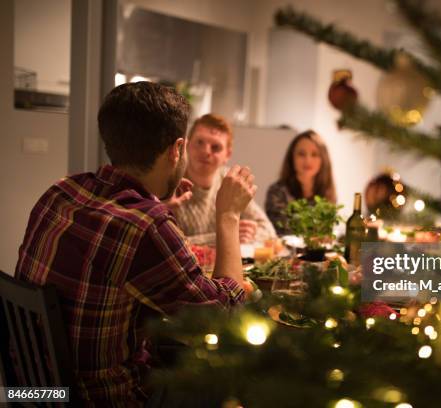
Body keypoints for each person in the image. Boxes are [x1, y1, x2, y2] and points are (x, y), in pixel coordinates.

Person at [15, 82, 255, 406]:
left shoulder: (60, 192)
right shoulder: (145, 226)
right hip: (104, 399)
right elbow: (226, 316)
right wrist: (228, 215)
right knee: (226, 377)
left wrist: (157, 203)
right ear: (178, 148)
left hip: (35, 391)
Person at [171, 114, 276, 244]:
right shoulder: (170, 181)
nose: (206, 151)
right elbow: (170, 243)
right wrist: (226, 235)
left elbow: (269, 231)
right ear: (187, 145)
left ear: (227, 155)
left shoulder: (230, 181)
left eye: (216, 147)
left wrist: (248, 234)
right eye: (199, 142)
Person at [265, 130, 337, 235]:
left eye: (314, 154)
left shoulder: (327, 193)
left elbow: (325, 236)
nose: (308, 160)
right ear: (292, 158)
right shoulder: (277, 191)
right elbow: (283, 233)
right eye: (301, 154)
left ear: (323, 160)